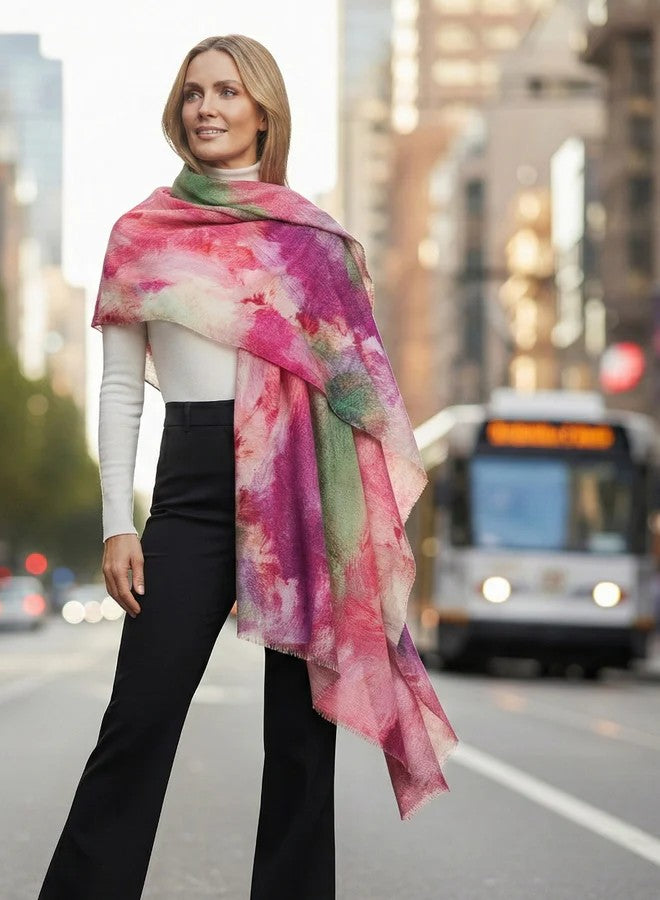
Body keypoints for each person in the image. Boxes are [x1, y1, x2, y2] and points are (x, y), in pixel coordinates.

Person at [37, 34, 457, 900]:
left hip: (301, 491)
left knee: (300, 747)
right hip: (188, 490)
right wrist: (119, 518)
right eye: (194, 94)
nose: (207, 109)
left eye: (227, 92)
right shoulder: (143, 234)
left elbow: (359, 397)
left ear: (263, 110)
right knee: (137, 723)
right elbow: (121, 389)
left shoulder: (310, 241)